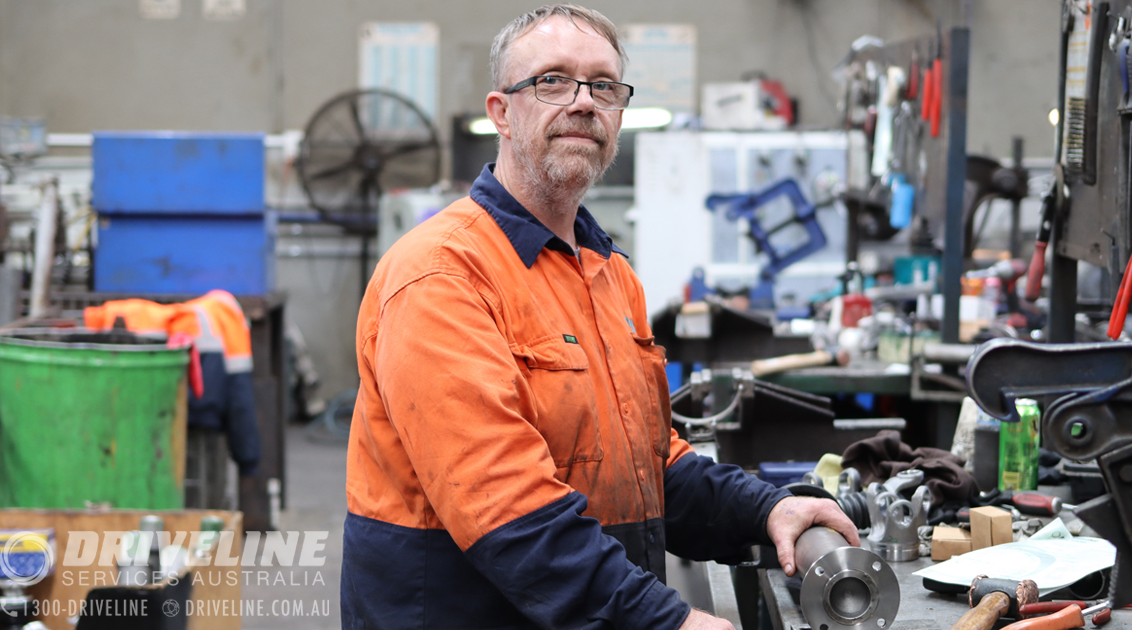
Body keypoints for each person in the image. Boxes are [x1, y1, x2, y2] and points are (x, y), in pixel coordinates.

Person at [342, 5, 858, 630]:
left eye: (604, 86)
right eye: (552, 81)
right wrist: (668, 622)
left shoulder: (608, 273)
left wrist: (767, 511)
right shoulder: (441, 276)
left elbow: (648, 464)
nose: (584, 102)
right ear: (501, 113)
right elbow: (507, 509)